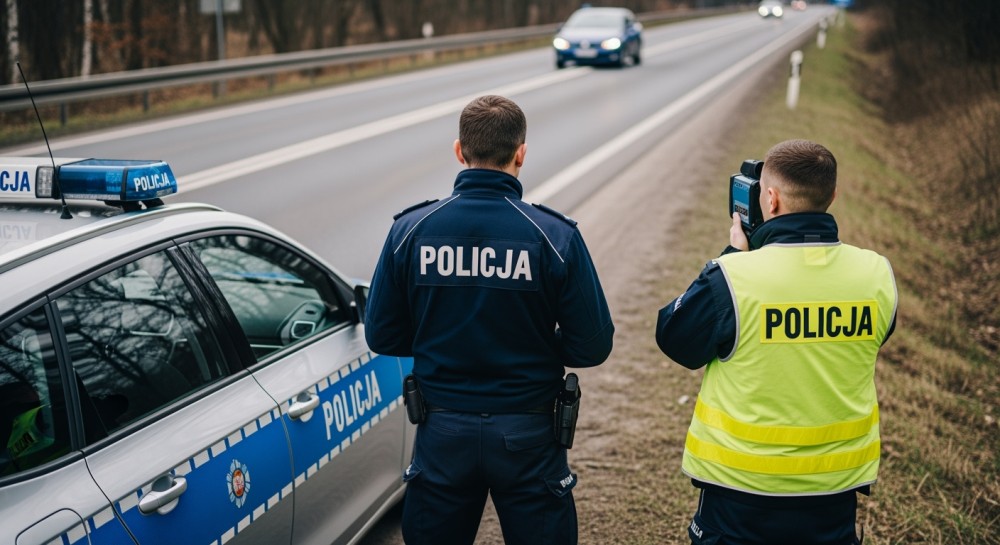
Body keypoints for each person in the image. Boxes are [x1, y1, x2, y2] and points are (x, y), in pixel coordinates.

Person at [365, 95, 614, 545]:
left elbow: (382, 334)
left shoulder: (410, 231)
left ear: (460, 151)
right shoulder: (554, 236)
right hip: (529, 434)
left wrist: (439, 339)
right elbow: (593, 344)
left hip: (441, 432)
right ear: (521, 153)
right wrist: (538, 345)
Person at [655, 139, 897, 545]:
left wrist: (732, 255)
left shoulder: (733, 277)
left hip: (739, 494)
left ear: (770, 198)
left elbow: (675, 339)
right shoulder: (877, 274)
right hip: (834, 492)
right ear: (832, 196)